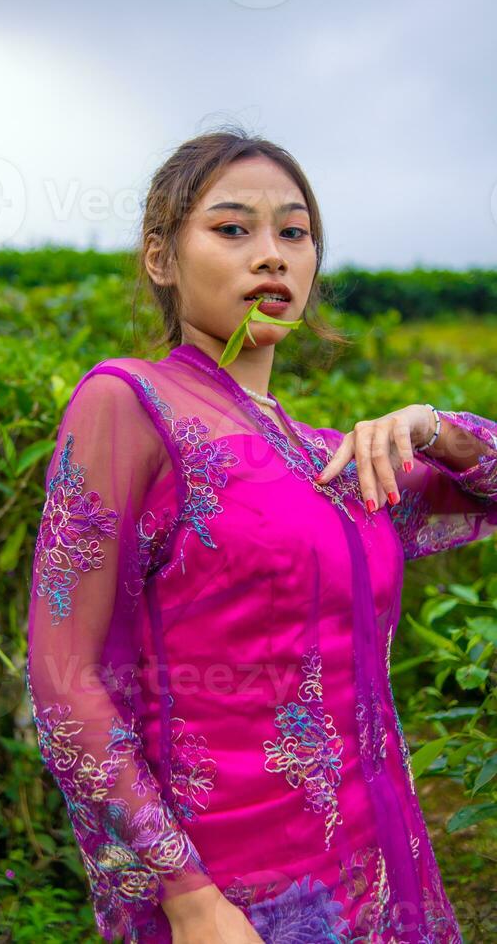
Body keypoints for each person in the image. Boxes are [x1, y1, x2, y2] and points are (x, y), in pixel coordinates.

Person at [25, 129, 497, 943]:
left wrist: (436, 428)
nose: (272, 256)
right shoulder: (129, 404)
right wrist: (186, 895)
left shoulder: (338, 458)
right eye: (233, 228)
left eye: (294, 231)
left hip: (386, 868)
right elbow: (63, 677)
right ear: (161, 259)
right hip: (235, 893)